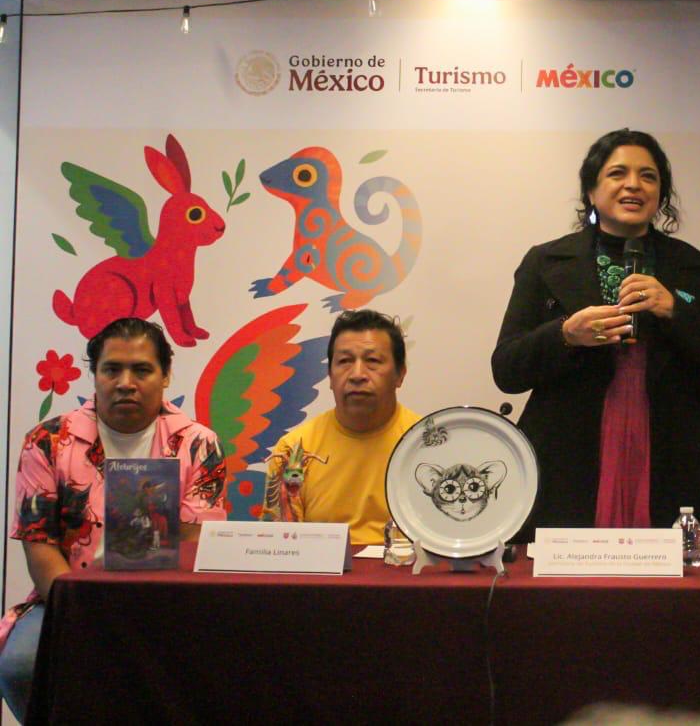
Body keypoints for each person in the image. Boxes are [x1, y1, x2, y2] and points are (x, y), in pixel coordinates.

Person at [492, 129, 700, 535]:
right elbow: (506, 369)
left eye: (648, 176)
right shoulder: (545, 262)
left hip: (670, 453)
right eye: (617, 173)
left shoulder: (696, 268)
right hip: (569, 456)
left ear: (661, 194)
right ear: (591, 191)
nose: (633, 185)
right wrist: (565, 334)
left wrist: (675, 310)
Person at [0, 318, 227, 723]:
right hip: (70, 601)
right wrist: (88, 613)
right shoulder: (47, 441)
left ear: (165, 375)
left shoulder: (198, 443)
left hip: (168, 605)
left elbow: (194, 545)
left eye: (141, 370)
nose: (125, 383)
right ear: (94, 374)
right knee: (20, 665)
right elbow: (40, 549)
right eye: (111, 369)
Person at [261, 310, 420, 544]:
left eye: (373, 361)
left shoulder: (428, 444)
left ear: (400, 374)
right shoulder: (293, 451)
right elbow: (279, 548)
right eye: (345, 361)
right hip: (320, 568)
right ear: (330, 375)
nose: (357, 374)